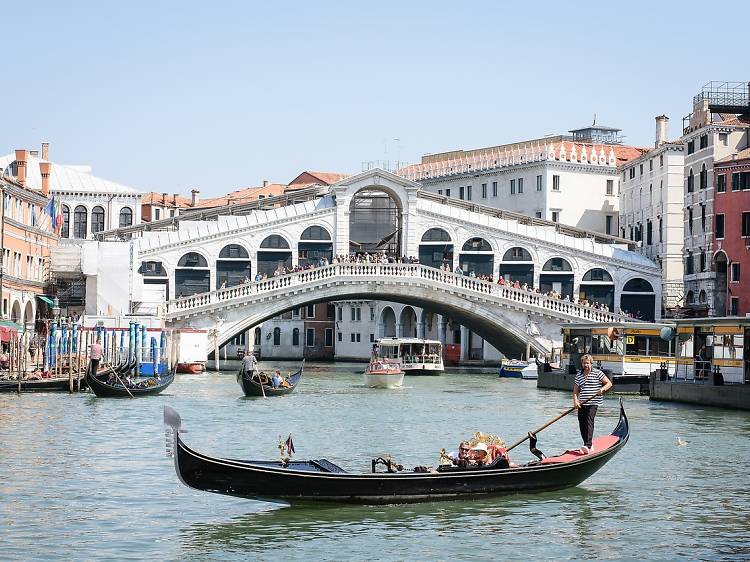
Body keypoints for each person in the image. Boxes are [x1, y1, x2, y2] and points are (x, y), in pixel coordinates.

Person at [573, 353, 612, 454]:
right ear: (582, 364)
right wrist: (576, 401)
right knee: (581, 422)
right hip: (582, 403)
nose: (586, 365)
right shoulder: (579, 375)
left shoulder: (597, 373)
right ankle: (586, 444)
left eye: (587, 363)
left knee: (589, 421)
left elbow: (609, 383)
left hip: (594, 402)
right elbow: (575, 391)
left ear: (591, 363)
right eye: (584, 363)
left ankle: (588, 445)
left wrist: (602, 389)